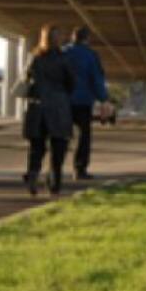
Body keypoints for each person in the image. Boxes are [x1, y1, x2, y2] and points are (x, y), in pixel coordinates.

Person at [21, 24, 76, 197]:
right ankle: (54, 181)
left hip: (37, 106)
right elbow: (71, 82)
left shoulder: (34, 57)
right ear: (59, 39)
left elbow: (26, 78)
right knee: (58, 145)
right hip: (58, 106)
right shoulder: (64, 58)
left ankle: (33, 172)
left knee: (36, 146)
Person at [63, 27, 108, 181]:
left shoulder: (62, 52)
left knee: (61, 135)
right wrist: (103, 98)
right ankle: (79, 168)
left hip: (63, 101)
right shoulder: (90, 55)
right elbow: (96, 78)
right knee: (84, 135)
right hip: (82, 101)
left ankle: (55, 168)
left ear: (72, 37)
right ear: (87, 38)